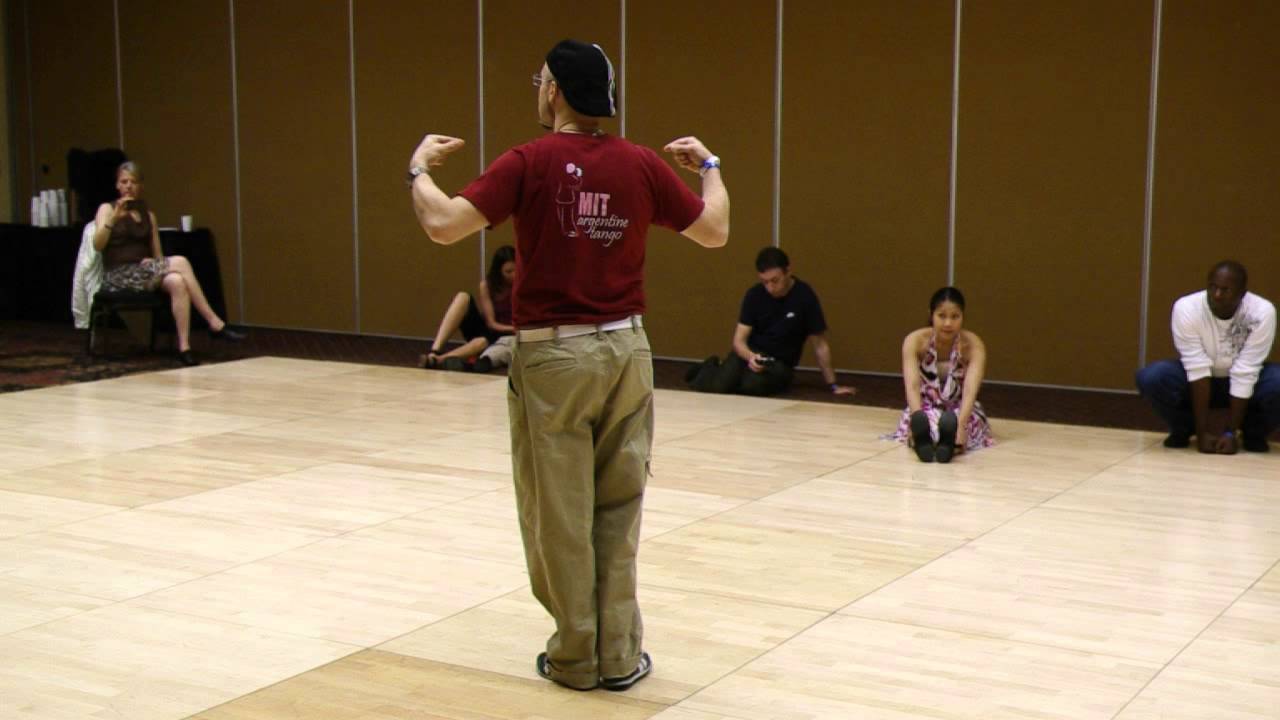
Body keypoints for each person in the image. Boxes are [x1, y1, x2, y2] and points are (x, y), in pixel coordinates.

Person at [407, 39, 728, 691]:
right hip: (628, 352)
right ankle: (620, 655)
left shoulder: (530, 161)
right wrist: (712, 167)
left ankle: (576, 656)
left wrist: (417, 170)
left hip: (554, 356)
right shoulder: (639, 164)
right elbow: (715, 232)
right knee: (619, 505)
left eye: (539, 79)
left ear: (554, 90)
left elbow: (442, 224)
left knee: (560, 510)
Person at [92, 162, 243, 366]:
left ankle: (184, 347)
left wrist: (153, 263)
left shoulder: (149, 216)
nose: (128, 186)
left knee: (177, 281)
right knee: (181, 261)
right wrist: (113, 219)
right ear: (117, 185)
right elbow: (98, 245)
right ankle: (215, 323)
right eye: (124, 182)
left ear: (140, 186)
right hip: (118, 275)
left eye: (133, 182)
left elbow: (159, 256)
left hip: (143, 272)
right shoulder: (106, 209)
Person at [1136, 260, 1278, 453]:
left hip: (1247, 381)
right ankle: (1185, 428)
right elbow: (1196, 368)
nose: (1217, 295)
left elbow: (1246, 371)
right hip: (1199, 379)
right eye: (1212, 287)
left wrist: (1230, 433)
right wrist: (1202, 433)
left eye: (1225, 290)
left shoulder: (1262, 311)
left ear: (1242, 294)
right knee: (1152, 377)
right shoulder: (1186, 308)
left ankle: (1253, 432)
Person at [686, 247, 854, 397]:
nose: (770, 288)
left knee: (751, 386)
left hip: (780, 362)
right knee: (718, 386)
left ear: (788, 271)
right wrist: (750, 356)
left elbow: (820, 345)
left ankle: (735, 375)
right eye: (765, 282)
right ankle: (708, 367)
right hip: (750, 353)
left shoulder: (805, 296)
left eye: (775, 280)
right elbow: (739, 340)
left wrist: (833, 385)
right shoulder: (754, 295)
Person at [891, 286, 993, 463]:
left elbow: (970, 390)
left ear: (963, 317)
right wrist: (916, 419)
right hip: (925, 407)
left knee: (966, 428)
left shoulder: (974, 345)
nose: (948, 323)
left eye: (955, 317)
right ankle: (923, 441)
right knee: (926, 422)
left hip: (961, 408)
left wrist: (961, 424)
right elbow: (912, 385)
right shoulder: (914, 341)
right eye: (942, 316)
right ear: (931, 315)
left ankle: (948, 446)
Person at [418, 244, 516, 373]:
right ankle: (435, 350)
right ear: (498, 271)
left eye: (516, 270)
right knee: (463, 297)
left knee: (482, 342)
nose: (513, 275)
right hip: (493, 328)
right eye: (508, 272)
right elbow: (491, 323)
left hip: (507, 336)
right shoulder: (487, 285)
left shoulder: (522, 285)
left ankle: (438, 360)